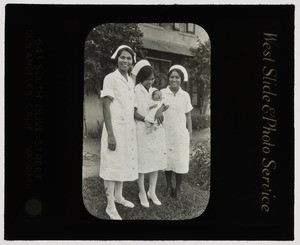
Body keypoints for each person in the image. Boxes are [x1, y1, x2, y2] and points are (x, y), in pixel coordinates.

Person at [100, 45, 138, 220]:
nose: (125, 61)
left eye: (129, 58)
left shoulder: (131, 80)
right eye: (123, 57)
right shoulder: (110, 78)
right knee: (111, 165)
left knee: (122, 163)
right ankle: (110, 205)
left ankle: (119, 197)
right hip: (114, 129)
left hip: (127, 130)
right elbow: (106, 106)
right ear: (117, 58)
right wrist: (110, 134)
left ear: (132, 61)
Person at [133, 60, 168, 208]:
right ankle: (142, 192)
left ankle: (151, 192)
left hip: (156, 132)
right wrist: (148, 119)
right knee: (142, 164)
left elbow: (163, 107)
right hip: (141, 130)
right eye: (148, 79)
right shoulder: (136, 90)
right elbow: (133, 112)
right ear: (142, 78)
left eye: (152, 79)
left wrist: (160, 113)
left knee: (155, 162)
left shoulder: (155, 91)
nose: (151, 81)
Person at [161, 65, 193, 198]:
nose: (174, 79)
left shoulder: (185, 95)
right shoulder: (162, 93)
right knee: (167, 161)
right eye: (172, 77)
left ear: (181, 79)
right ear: (168, 79)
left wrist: (190, 133)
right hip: (165, 133)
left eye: (177, 77)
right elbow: (156, 111)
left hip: (180, 133)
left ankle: (178, 187)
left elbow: (188, 116)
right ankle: (169, 186)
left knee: (180, 160)